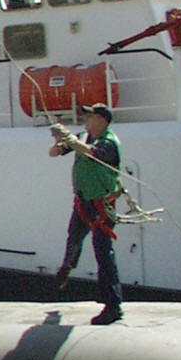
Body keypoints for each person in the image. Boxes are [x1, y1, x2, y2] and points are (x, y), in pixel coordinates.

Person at [50, 103, 124, 325]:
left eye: (89, 116)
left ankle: (113, 305)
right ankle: (66, 268)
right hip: (83, 203)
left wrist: (72, 140)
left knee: (103, 252)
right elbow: (54, 153)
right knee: (73, 238)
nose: (85, 119)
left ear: (102, 120)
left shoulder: (109, 142)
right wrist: (60, 140)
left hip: (101, 206)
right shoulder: (84, 137)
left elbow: (92, 153)